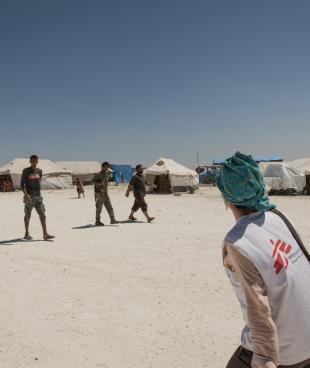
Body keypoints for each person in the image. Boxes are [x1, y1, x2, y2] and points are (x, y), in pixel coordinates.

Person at [216, 152, 310, 368]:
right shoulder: (279, 217)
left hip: (285, 352)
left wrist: (265, 361)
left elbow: (259, 311)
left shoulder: (237, 242)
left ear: (227, 198)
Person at [21, 155, 55, 241]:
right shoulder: (26, 171)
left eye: (35, 161)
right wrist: (27, 195)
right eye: (32, 161)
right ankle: (26, 233)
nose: (33, 162)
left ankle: (45, 234)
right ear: (30, 161)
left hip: (39, 197)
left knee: (43, 215)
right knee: (27, 215)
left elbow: (38, 181)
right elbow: (22, 185)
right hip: (30, 197)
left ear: (37, 162)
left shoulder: (39, 171)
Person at [92, 161, 118, 226]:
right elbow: (92, 181)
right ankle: (97, 221)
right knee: (99, 208)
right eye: (104, 166)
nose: (106, 168)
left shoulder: (107, 174)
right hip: (100, 194)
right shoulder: (98, 174)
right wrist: (99, 183)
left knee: (110, 207)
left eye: (107, 166)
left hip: (106, 194)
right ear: (102, 167)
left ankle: (112, 220)